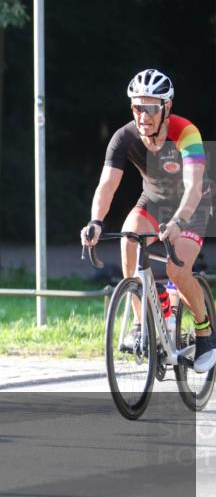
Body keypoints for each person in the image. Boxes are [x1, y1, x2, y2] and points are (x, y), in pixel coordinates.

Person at [80, 68, 214, 373]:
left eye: (151, 107)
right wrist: (95, 221)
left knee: (176, 270)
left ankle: (206, 331)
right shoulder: (123, 137)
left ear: (166, 108)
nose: (143, 115)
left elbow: (193, 188)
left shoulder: (186, 132)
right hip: (153, 202)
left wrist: (179, 221)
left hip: (191, 206)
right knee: (129, 237)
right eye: (137, 107)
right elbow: (107, 185)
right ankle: (142, 323)